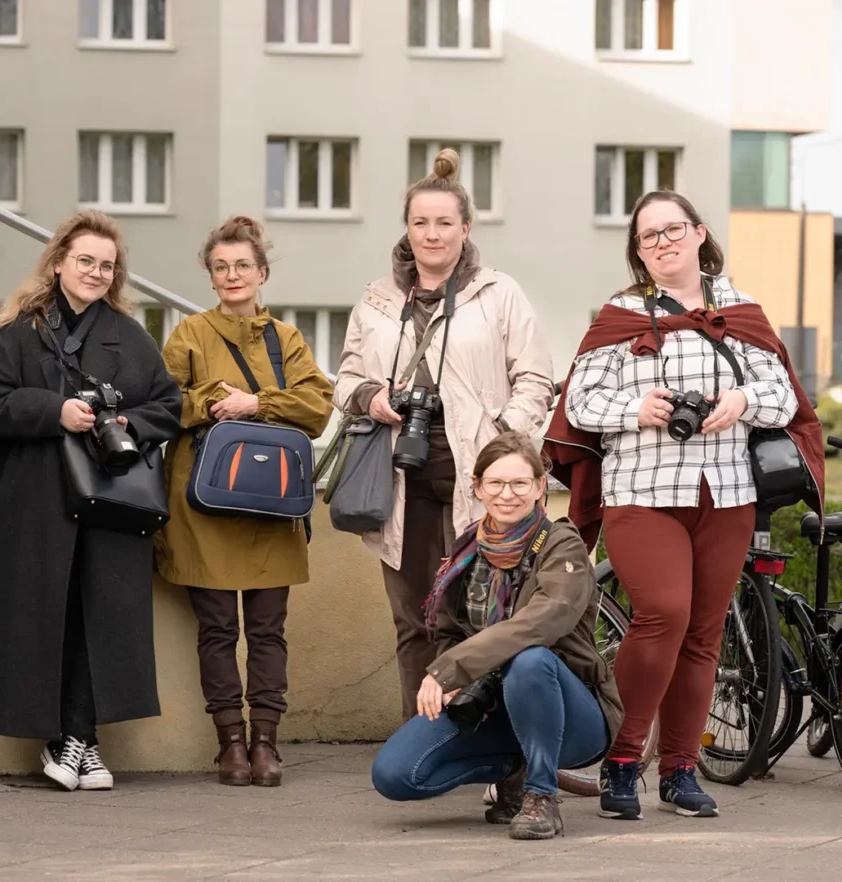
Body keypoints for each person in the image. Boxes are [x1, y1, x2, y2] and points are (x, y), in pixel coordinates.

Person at [546, 190, 818, 821]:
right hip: (642, 491)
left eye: (673, 230)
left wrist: (742, 404)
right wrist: (636, 409)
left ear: (699, 233)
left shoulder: (742, 310)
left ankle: (680, 772)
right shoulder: (619, 314)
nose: (663, 243)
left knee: (704, 633)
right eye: (649, 237)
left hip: (725, 492)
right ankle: (621, 762)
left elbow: (785, 396)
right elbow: (580, 403)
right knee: (662, 614)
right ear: (638, 252)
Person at [332, 148, 555, 723]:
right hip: (398, 479)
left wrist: (503, 439)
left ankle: (485, 745)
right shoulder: (379, 299)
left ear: (465, 227)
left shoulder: (497, 292)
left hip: (478, 483)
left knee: (477, 618)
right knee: (413, 621)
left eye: (444, 222)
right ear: (407, 229)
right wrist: (371, 399)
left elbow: (534, 377)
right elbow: (348, 376)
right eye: (420, 223)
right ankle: (421, 742)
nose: (432, 235)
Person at [0, 210, 182, 792]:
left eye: (106, 265)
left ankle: (82, 741)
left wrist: (121, 422)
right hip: (37, 500)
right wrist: (55, 411)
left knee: (101, 619)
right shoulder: (16, 332)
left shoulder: (132, 337)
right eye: (85, 260)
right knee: (45, 619)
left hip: (110, 502)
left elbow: (168, 407)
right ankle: (62, 740)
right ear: (59, 261)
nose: (95, 272)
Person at [369, 432, 623, 841]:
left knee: (530, 658)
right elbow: (449, 632)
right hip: (494, 706)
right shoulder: (467, 547)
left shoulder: (562, 545)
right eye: (496, 483)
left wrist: (450, 670)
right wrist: (458, 684)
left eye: (520, 483)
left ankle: (542, 796)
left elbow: (544, 620)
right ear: (477, 487)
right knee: (396, 775)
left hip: (573, 713)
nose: (508, 494)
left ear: (540, 487)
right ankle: (515, 770)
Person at [155, 217, 333, 787]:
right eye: (221, 267)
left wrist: (256, 404)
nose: (232, 276)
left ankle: (266, 745)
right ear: (210, 277)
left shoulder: (287, 339)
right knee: (216, 632)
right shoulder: (188, 335)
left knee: (267, 630)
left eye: (242, 266)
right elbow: (159, 404)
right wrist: (212, 401)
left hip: (271, 509)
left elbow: (319, 408)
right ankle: (229, 744)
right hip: (202, 508)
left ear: (262, 273)